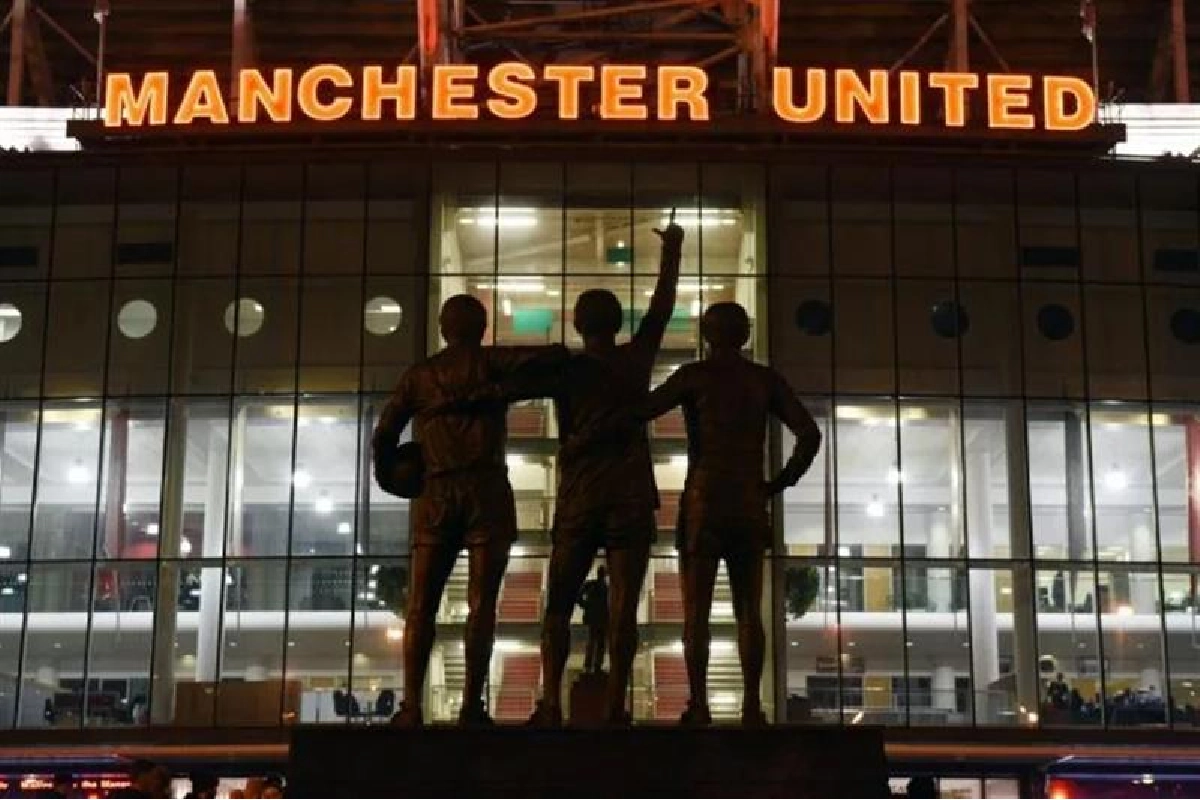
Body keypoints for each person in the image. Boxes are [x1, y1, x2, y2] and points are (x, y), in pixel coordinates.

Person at [464, 217, 682, 726]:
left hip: (582, 495)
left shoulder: (568, 368)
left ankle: (550, 705)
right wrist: (672, 254)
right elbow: (662, 308)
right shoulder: (635, 359)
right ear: (617, 324)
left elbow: (507, 387)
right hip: (629, 494)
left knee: (558, 605)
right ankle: (615, 708)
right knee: (625, 607)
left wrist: (466, 388)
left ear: (580, 324)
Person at [577, 302, 821, 726]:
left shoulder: (695, 376)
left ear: (707, 335)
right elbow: (809, 434)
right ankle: (751, 707)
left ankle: (700, 705)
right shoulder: (764, 380)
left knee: (697, 611)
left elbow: (641, 411)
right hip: (748, 499)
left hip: (705, 500)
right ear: (744, 334)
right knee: (749, 610)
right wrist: (777, 484)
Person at [373, 294, 568, 727]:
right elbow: (551, 356)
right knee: (483, 605)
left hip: (437, 492)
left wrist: (391, 478)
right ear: (481, 328)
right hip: (485, 489)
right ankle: (470, 708)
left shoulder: (419, 376)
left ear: (444, 328)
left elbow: (384, 432)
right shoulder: (492, 361)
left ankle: (410, 707)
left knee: (421, 605)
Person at [578, 566, 610, 675]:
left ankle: (597, 666)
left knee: (600, 643)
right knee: (592, 642)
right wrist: (585, 605)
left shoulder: (607, 587)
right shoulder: (591, 585)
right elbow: (578, 595)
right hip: (594, 618)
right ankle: (588, 665)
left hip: (603, 619)